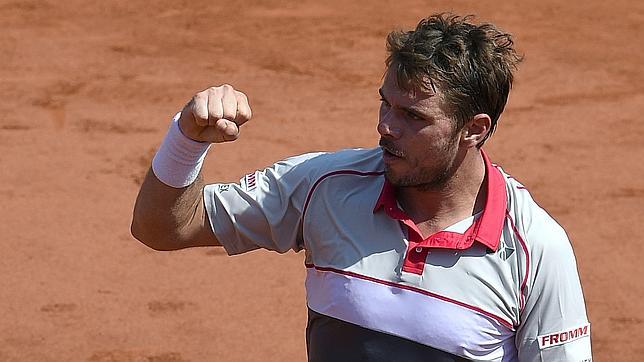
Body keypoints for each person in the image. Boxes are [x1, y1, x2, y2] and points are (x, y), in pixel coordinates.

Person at [131, 13, 592, 361]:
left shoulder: (536, 248)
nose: (385, 127)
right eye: (385, 104)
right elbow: (165, 228)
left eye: (413, 117)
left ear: (473, 129)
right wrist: (187, 138)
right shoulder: (322, 186)